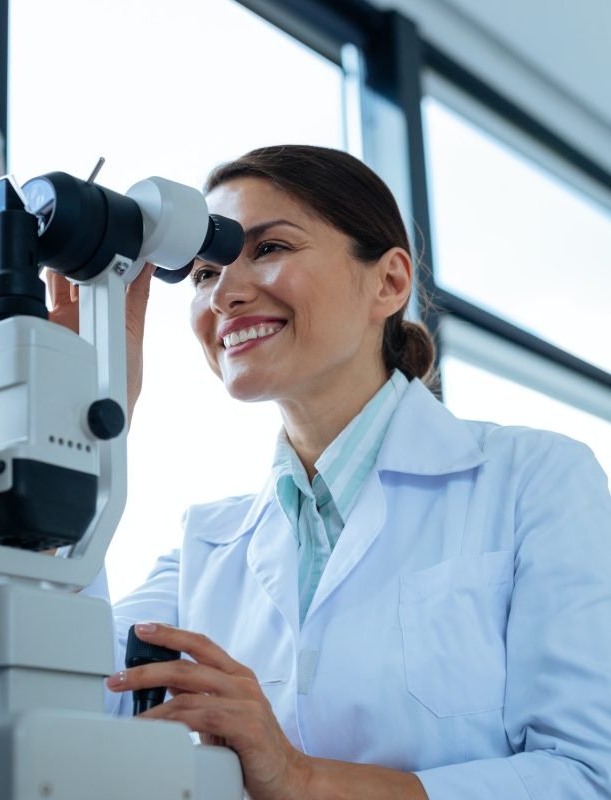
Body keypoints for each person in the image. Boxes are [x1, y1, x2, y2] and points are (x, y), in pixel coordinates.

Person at [48, 145, 611, 799]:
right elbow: (67, 700)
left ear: (389, 283)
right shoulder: (205, 545)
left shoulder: (536, 479)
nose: (226, 293)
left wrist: (303, 779)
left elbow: (586, 775)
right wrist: (76, 410)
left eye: (269, 249)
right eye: (203, 272)